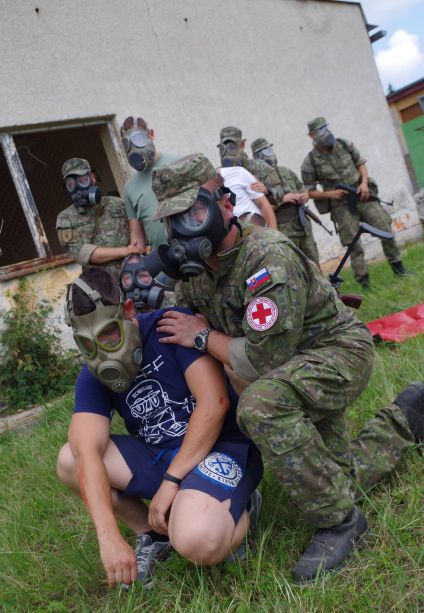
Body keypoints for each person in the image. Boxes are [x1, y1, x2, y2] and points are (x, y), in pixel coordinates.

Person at [148, 152, 424, 583]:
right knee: (338, 477)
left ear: (225, 204)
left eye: (194, 213)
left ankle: (340, 522)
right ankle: (406, 416)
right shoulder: (197, 274)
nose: (184, 230)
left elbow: (264, 358)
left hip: (335, 354)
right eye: (172, 221)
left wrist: (202, 336)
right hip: (286, 370)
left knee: (261, 405)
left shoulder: (266, 257)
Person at [56, 266, 263, 589]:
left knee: (196, 540)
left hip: (219, 448)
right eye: (88, 343)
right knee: (71, 459)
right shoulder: (92, 375)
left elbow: (215, 404)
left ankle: (241, 507)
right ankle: (153, 534)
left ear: (128, 310)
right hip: (160, 455)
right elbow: (86, 452)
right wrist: (108, 537)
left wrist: (171, 481)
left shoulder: (172, 327)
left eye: (109, 333)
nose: (102, 351)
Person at [300, 117, 412, 288]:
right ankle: (364, 283)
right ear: (311, 136)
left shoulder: (344, 144)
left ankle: (399, 269)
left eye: (326, 128)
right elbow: (309, 191)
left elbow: (361, 164)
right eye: (320, 130)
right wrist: (330, 194)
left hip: (362, 195)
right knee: (353, 244)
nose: (325, 132)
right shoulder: (310, 162)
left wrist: (364, 183)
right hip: (341, 205)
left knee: (384, 228)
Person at [56, 158, 133, 280]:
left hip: (132, 275)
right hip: (101, 284)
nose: (78, 188)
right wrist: (126, 251)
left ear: (92, 178)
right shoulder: (65, 219)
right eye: (71, 185)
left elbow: (138, 238)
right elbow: (84, 254)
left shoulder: (119, 204)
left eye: (83, 181)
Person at [251, 137, 320, 266]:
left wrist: (304, 196)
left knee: (313, 262)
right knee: (293, 266)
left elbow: (303, 190)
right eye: (262, 152)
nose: (268, 154)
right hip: (283, 229)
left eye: (269, 149)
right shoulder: (256, 181)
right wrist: (283, 199)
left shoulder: (286, 172)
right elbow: (260, 209)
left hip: (302, 225)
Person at [121, 116, 180, 252]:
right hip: (164, 259)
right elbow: (137, 240)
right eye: (127, 144)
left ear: (151, 134)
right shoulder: (130, 188)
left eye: (138, 139)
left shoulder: (179, 162)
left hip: (194, 248)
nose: (133, 149)